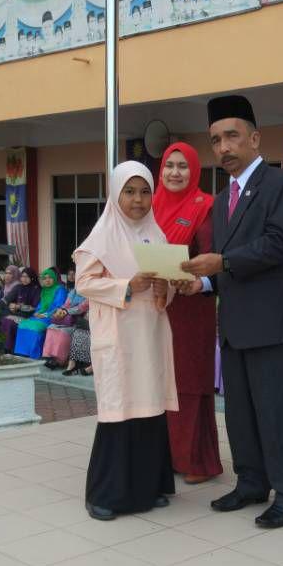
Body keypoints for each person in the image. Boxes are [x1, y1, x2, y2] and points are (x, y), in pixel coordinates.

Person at [180, 94, 283, 529]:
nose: (223, 147)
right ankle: (252, 482)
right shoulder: (222, 201)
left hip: (273, 323)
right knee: (241, 413)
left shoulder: (282, 184)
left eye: (232, 136)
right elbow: (225, 268)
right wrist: (200, 283)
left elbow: (277, 244)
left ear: (254, 139)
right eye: (216, 140)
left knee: (279, 413)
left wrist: (220, 263)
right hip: (235, 325)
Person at [74, 161, 177, 520]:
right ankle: (104, 494)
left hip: (149, 333)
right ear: (116, 195)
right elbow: (84, 283)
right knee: (119, 411)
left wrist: (165, 288)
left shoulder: (157, 236)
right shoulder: (101, 238)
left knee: (150, 408)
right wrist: (125, 286)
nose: (138, 200)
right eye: (129, 192)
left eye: (145, 191)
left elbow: (168, 288)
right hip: (118, 335)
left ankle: (150, 487)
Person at [153, 142, 223, 484]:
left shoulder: (205, 207)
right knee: (158, 381)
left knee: (188, 382)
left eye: (183, 166)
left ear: (194, 171)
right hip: (154, 305)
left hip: (191, 306)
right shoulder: (150, 206)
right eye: (169, 165)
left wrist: (193, 279)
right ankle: (164, 455)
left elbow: (211, 258)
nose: (175, 173)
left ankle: (197, 460)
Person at [14, 268, 66, 359]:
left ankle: (34, 354)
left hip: (52, 317)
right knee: (22, 324)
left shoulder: (60, 289)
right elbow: (39, 306)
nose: (47, 280)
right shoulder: (44, 291)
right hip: (39, 316)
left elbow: (59, 306)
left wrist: (45, 315)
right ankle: (22, 353)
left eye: (50, 277)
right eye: (45, 278)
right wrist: (36, 313)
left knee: (36, 327)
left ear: (54, 278)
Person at [42, 276, 88, 369]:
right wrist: (61, 310)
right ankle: (49, 356)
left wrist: (67, 311)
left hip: (78, 320)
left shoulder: (89, 295)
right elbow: (66, 304)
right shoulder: (73, 292)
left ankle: (59, 360)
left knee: (63, 332)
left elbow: (81, 308)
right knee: (51, 327)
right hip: (66, 318)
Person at [0, 267, 40, 351]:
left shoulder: (36, 289)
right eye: (22, 276)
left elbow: (34, 308)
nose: (24, 279)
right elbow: (6, 299)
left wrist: (19, 306)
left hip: (28, 316)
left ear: (32, 278)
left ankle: (9, 348)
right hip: (15, 313)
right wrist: (9, 305)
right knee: (3, 318)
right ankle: (4, 347)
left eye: (27, 277)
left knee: (10, 322)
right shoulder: (18, 287)